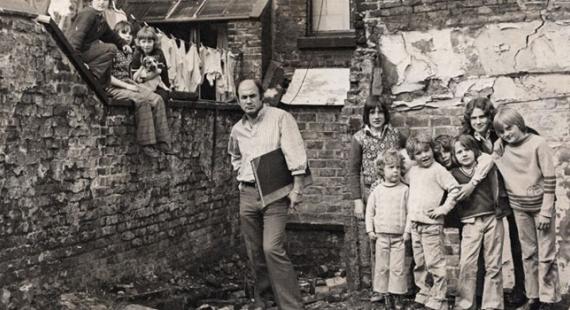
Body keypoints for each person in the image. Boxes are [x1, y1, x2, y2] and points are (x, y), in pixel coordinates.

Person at [227, 79, 306, 310]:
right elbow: (235, 156)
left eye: (253, 96)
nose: (249, 101)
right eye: (244, 97)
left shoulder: (280, 118)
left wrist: (297, 189)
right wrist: (241, 177)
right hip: (248, 194)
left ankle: (291, 306)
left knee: (271, 248)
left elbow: (295, 152)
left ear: (261, 97)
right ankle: (265, 300)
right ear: (239, 100)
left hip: (275, 194)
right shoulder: (237, 129)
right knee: (254, 251)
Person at [492, 108, 560, 310]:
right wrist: (498, 144)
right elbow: (494, 161)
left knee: (546, 254)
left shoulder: (538, 144)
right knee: (528, 254)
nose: (506, 134)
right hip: (519, 208)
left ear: (518, 123)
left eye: (509, 128)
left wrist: (547, 211)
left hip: (541, 208)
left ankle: (549, 298)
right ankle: (534, 296)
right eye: (501, 131)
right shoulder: (502, 148)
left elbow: (550, 178)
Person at [462, 97, 527, 307]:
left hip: (511, 193)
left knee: (519, 244)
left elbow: (524, 141)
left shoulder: (500, 131)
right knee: (482, 251)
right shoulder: (467, 139)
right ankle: (480, 295)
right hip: (485, 200)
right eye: (474, 118)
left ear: (490, 117)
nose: (479, 121)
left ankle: (522, 290)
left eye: (482, 117)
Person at [347, 95, 403, 292]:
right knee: (376, 241)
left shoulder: (395, 135)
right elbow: (353, 171)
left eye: (380, 112)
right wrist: (357, 201)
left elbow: (405, 160)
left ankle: (397, 289)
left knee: (396, 240)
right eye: (372, 112)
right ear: (367, 115)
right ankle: (378, 290)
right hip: (373, 195)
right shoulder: (359, 138)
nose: (377, 116)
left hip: (395, 195)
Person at [405, 132, 459, 310]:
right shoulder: (413, 171)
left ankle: (439, 299)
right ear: (413, 156)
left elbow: (454, 189)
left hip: (431, 226)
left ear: (431, 150)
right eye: (418, 153)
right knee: (420, 264)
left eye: (426, 150)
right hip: (415, 225)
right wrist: (408, 226)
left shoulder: (438, 170)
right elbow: (412, 199)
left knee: (435, 264)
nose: (424, 156)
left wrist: (443, 209)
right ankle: (424, 293)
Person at [450, 135, 505, 310]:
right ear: (454, 156)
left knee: (493, 264)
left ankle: (492, 305)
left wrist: (473, 183)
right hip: (470, 222)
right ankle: (465, 305)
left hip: (492, 218)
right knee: (467, 265)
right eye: (459, 152)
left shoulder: (485, 166)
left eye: (467, 149)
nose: (464, 154)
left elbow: (489, 158)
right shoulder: (453, 174)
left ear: (475, 151)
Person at [105, 21, 171, 158]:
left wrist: (136, 83)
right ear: (115, 35)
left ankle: (163, 141)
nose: (127, 36)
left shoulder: (128, 52)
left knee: (157, 99)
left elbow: (132, 75)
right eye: (123, 33)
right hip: (114, 86)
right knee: (142, 100)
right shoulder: (110, 49)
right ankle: (147, 144)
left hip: (129, 83)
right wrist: (128, 86)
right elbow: (107, 77)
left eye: (130, 33)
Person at [365, 149, 409, 309]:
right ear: (382, 170)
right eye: (391, 167)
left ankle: (397, 295)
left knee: (397, 268)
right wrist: (370, 230)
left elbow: (410, 212)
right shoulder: (377, 191)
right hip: (381, 237)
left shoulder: (404, 190)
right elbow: (370, 211)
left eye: (397, 167)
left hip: (399, 237)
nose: (395, 171)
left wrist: (407, 231)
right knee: (382, 267)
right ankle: (385, 295)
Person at [67, 0, 132, 88]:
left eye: (105, 0)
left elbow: (109, 35)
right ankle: (92, 75)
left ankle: (94, 76)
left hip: (85, 52)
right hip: (76, 53)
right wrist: (79, 62)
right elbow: (75, 39)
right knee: (111, 49)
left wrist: (123, 44)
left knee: (110, 48)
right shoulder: (88, 13)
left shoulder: (99, 17)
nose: (101, 3)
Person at [131, 26, 171, 105]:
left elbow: (158, 71)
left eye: (149, 41)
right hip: (144, 86)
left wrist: (142, 79)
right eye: (143, 42)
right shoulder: (137, 54)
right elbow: (134, 75)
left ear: (154, 42)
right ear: (139, 42)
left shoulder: (158, 53)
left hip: (159, 86)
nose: (146, 45)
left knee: (160, 99)